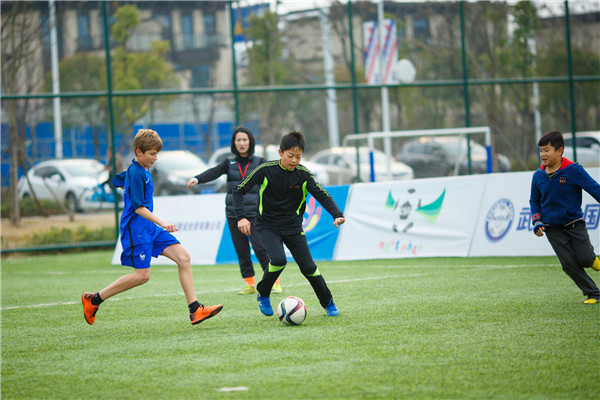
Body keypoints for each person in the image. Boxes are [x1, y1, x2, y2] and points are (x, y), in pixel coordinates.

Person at [82, 129, 223, 325]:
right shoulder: (136, 172)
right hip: (136, 230)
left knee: (184, 258)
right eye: (152, 154)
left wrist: (120, 181)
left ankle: (195, 310)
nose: (155, 158)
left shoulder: (141, 168)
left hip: (149, 228)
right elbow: (139, 208)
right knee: (142, 276)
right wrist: (163, 223)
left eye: (157, 154)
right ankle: (94, 299)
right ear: (138, 152)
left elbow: (123, 180)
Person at [232, 130, 345, 317]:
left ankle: (329, 303)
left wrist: (337, 214)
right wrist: (241, 217)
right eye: (290, 156)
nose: (294, 160)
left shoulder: (303, 175)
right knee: (278, 260)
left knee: (309, 268)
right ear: (280, 153)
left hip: (293, 227)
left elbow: (321, 195)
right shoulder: (265, 170)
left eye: (298, 156)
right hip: (267, 226)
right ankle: (263, 292)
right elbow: (238, 191)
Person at [187, 126, 282, 295]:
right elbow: (214, 172)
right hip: (234, 214)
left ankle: (274, 281)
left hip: (254, 214)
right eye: (238, 140)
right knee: (242, 250)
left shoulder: (259, 162)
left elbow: (274, 178)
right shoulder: (228, 162)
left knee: (261, 248)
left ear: (250, 142)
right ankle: (249, 283)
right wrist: (198, 179)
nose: (241, 143)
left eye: (244, 140)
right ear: (234, 143)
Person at [530, 129, 600, 304]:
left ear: (559, 150)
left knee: (585, 259)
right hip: (552, 229)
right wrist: (537, 221)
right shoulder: (537, 176)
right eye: (540, 150)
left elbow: (594, 189)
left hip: (575, 224)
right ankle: (593, 293)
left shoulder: (574, 170)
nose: (542, 154)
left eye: (547, 150)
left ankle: (593, 260)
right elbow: (534, 201)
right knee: (568, 265)